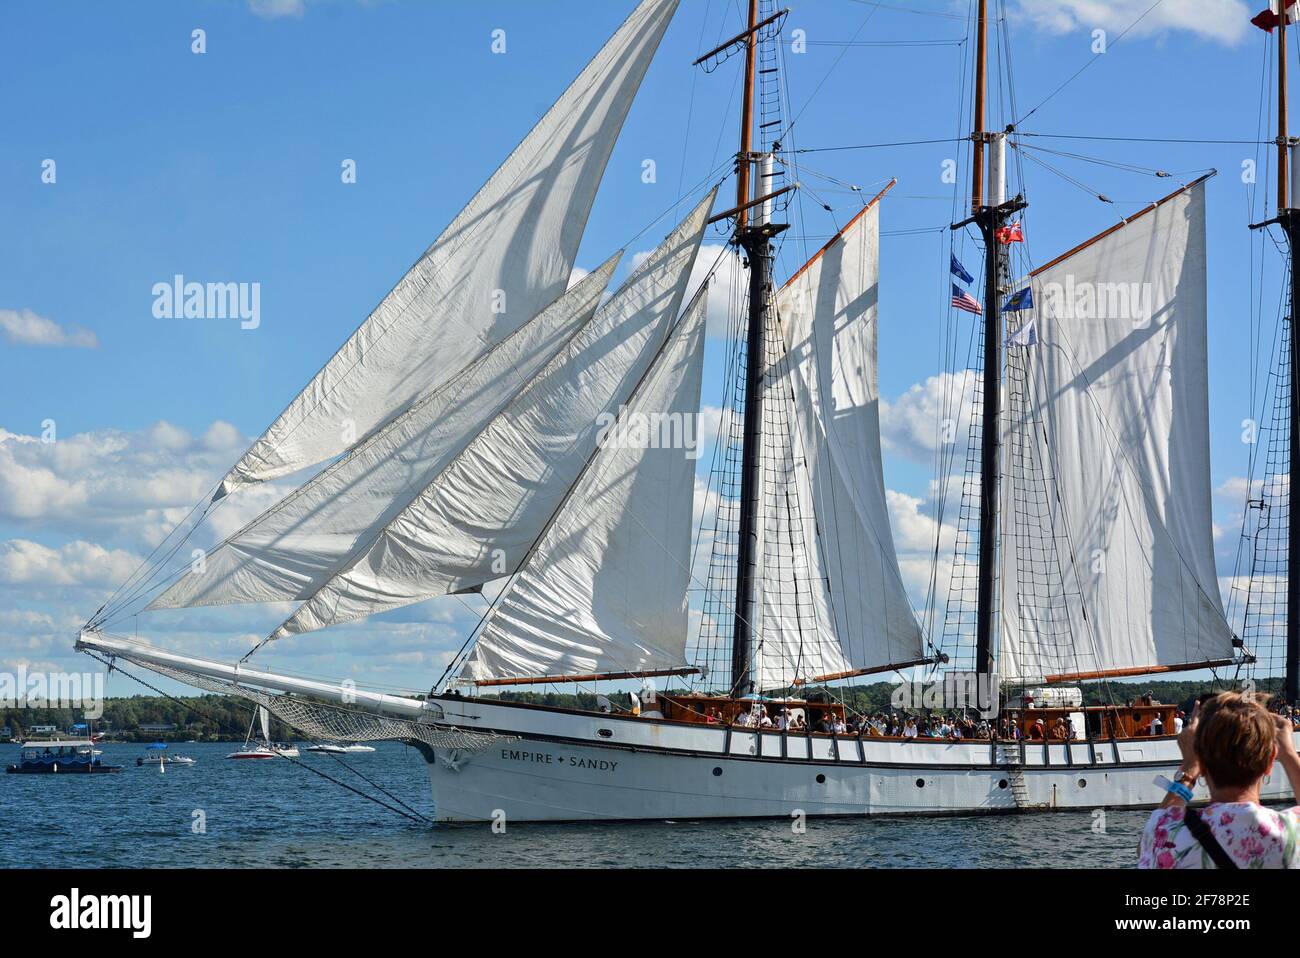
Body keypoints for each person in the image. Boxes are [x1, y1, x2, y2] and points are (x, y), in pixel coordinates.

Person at [1139, 693, 1300, 869]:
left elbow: (1143, 848)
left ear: (1203, 765)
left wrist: (1190, 766)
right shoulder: (1290, 834)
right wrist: (1289, 754)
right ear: (1270, 764)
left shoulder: (1163, 832)